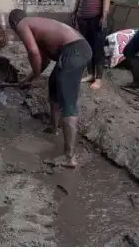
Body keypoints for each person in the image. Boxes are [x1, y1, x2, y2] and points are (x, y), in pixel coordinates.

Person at [8, 9, 92, 168]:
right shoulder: (36, 26)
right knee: (53, 83)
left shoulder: (22, 25)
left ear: (13, 23)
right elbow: (44, 60)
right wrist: (29, 78)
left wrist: (36, 74)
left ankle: (69, 158)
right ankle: (54, 127)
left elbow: (33, 52)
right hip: (75, 49)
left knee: (68, 102)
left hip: (74, 51)